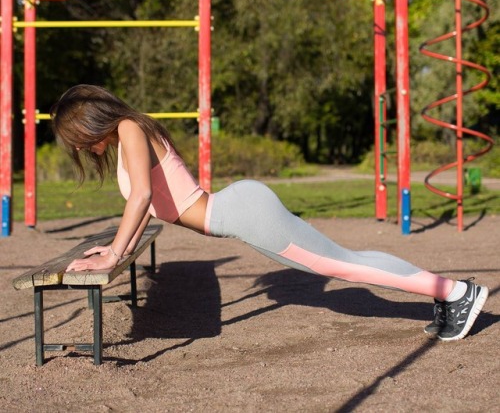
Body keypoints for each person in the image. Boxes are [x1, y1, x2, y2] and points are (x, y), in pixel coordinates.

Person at [51, 84, 489, 342]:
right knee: (350, 261)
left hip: (243, 214)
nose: (82, 149)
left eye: (77, 139)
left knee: (348, 266)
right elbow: (146, 202)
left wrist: (112, 256)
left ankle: (455, 293)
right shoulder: (131, 130)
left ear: (90, 122)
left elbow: (143, 196)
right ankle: (451, 293)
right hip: (240, 210)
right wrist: (114, 247)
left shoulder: (128, 128)